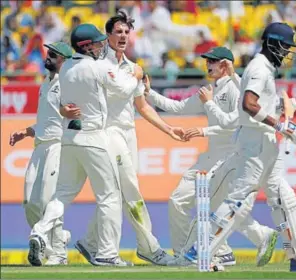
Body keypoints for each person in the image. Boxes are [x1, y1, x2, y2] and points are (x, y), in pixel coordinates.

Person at [185, 22, 296, 272]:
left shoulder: (263, 68)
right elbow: (249, 104)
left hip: (264, 142)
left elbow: (257, 102)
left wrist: (283, 114)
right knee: (238, 200)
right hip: (256, 143)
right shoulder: (259, 69)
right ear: (273, 44)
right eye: (285, 47)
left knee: (284, 199)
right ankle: (200, 250)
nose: (287, 53)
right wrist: (279, 124)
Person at [63, 11, 183, 266]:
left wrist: (168, 128)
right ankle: (149, 247)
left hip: (128, 134)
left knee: (118, 192)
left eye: (127, 32)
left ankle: (90, 242)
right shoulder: (97, 64)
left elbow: (142, 106)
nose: (123, 36)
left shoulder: (131, 67)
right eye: (118, 32)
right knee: (130, 191)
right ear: (106, 37)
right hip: (107, 133)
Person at [144, 47, 278, 267]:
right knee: (178, 200)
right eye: (207, 60)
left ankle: (194, 255)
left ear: (225, 64)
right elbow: (177, 107)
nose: (208, 65)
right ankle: (255, 237)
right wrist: (149, 93)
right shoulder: (210, 90)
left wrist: (205, 120)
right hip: (209, 158)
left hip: (228, 160)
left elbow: (233, 124)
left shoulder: (237, 89)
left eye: (213, 61)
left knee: (213, 211)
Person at [27, 23, 141, 267]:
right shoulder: (97, 67)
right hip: (94, 139)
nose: (101, 46)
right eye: (98, 42)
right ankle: (107, 254)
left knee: (61, 195)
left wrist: (63, 110)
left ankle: (39, 230)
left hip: (69, 139)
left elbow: (57, 104)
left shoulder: (66, 67)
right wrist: (136, 75)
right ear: (86, 46)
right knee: (110, 196)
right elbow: (123, 89)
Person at [9, 42, 73, 265]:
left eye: (53, 55)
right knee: (29, 202)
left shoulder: (69, 84)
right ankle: (58, 241)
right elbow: (45, 120)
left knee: (47, 200)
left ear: (64, 61)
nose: (48, 57)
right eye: (48, 53)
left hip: (58, 146)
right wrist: (24, 132)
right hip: (39, 146)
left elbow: (75, 117)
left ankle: (56, 250)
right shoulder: (44, 83)